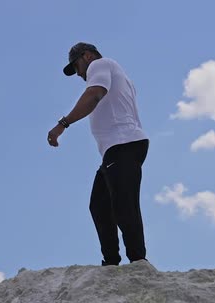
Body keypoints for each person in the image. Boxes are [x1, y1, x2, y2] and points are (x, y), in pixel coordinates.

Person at [47, 42, 149, 266]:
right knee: (100, 205)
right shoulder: (117, 73)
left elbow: (94, 95)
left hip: (123, 143)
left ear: (87, 56)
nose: (78, 74)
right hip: (118, 148)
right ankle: (111, 262)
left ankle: (139, 261)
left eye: (76, 66)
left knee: (124, 203)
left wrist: (62, 124)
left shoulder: (100, 64)